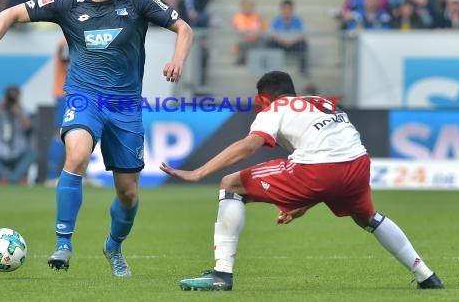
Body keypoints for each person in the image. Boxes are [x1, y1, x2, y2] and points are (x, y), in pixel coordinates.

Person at [0, 0, 192, 276]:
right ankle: (63, 243)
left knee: (129, 193)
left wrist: (178, 58)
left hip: (125, 104)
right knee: (75, 155)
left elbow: (184, 28)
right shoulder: (67, 3)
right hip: (83, 96)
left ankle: (114, 247)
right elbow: (8, 14)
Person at [160, 71, 444, 291]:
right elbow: (331, 161)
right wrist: (303, 204)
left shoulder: (275, 108)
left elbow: (249, 147)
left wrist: (198, 173)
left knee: (230, 184)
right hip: (358, 165)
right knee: (367, 217)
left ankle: (222, 274)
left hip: (320, 169)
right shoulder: (320, 102)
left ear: (264, 98)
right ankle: (426, 276)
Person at [0, 85, 36, 185]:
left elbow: (29, 128)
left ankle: (11, 179)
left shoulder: (24, 111)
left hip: (18, 153)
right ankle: (10, 178)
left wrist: (18, 112)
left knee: (32, 154)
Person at [45, 37, 70, 187]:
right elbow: (70, 66)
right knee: (60, 133)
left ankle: (82, 174)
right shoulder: (66, 42)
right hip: (67, 93)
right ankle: (52, 176)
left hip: (79, 94)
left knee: (83, 133)